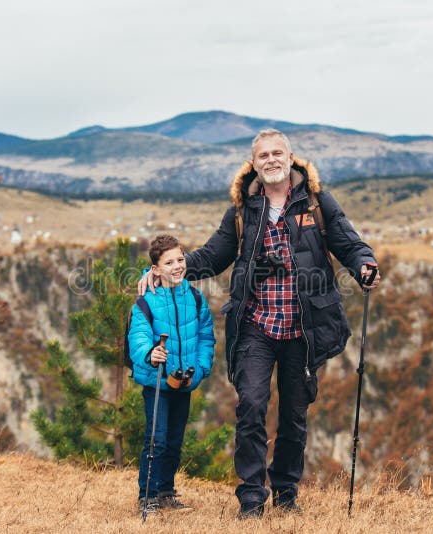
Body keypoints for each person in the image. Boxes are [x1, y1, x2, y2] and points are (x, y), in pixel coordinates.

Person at [139, 129, 380, 519]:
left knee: (294, 416)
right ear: (254, 164)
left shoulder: (316, 202)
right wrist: (173, 270)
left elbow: (347, 242)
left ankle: (286, 493)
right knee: (250, 406)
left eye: (276, 153)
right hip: (255, 325)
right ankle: (252, 497)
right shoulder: (241, 209)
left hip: (302, 328)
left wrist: (365, 264)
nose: (270, 160)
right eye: (263, 155)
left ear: (290, 157)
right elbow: (214, 254)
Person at [128, 234, 215, 515]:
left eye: (180, 259)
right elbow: (138, 336)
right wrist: (150, 353)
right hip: (156, 381)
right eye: (169, 262)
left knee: (175, 440)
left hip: (185, 380)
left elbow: (206, 337)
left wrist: (200, 369)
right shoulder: (145, 302)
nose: (177, 266)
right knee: (157, 440)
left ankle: (166, 492)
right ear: (155, 269)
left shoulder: (196, 298)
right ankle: (147, 496)